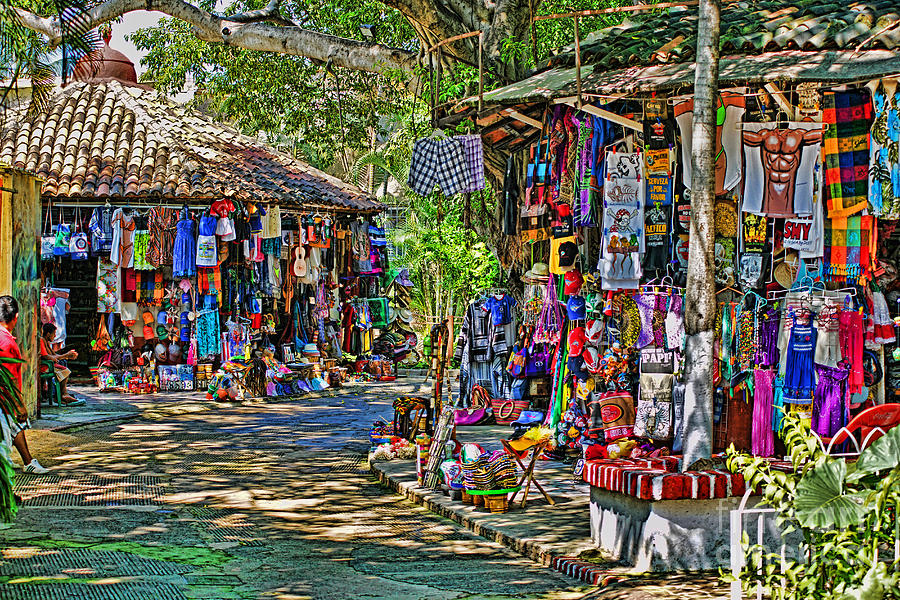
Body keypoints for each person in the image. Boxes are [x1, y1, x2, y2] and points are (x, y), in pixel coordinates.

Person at [0, 296, 50, 474]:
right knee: (3, 445)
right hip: (4, 402)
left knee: (15, 430)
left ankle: (28, 461)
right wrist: (20, 405)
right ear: (16, 317)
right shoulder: (7, 343)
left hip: (5, 402)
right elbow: (9, 380)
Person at [39, 323, 84, 406]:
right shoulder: (41, 340)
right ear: (48, 334)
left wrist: (66, 356)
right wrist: (65, 355)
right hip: (44, 366)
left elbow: (54, 355)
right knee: (65, 371)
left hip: (48, 364)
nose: (55, 336)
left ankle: (62, 394)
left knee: (64, 367)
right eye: (54, 334)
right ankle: (63, 394)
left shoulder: (46, 342)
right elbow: (46, 356)